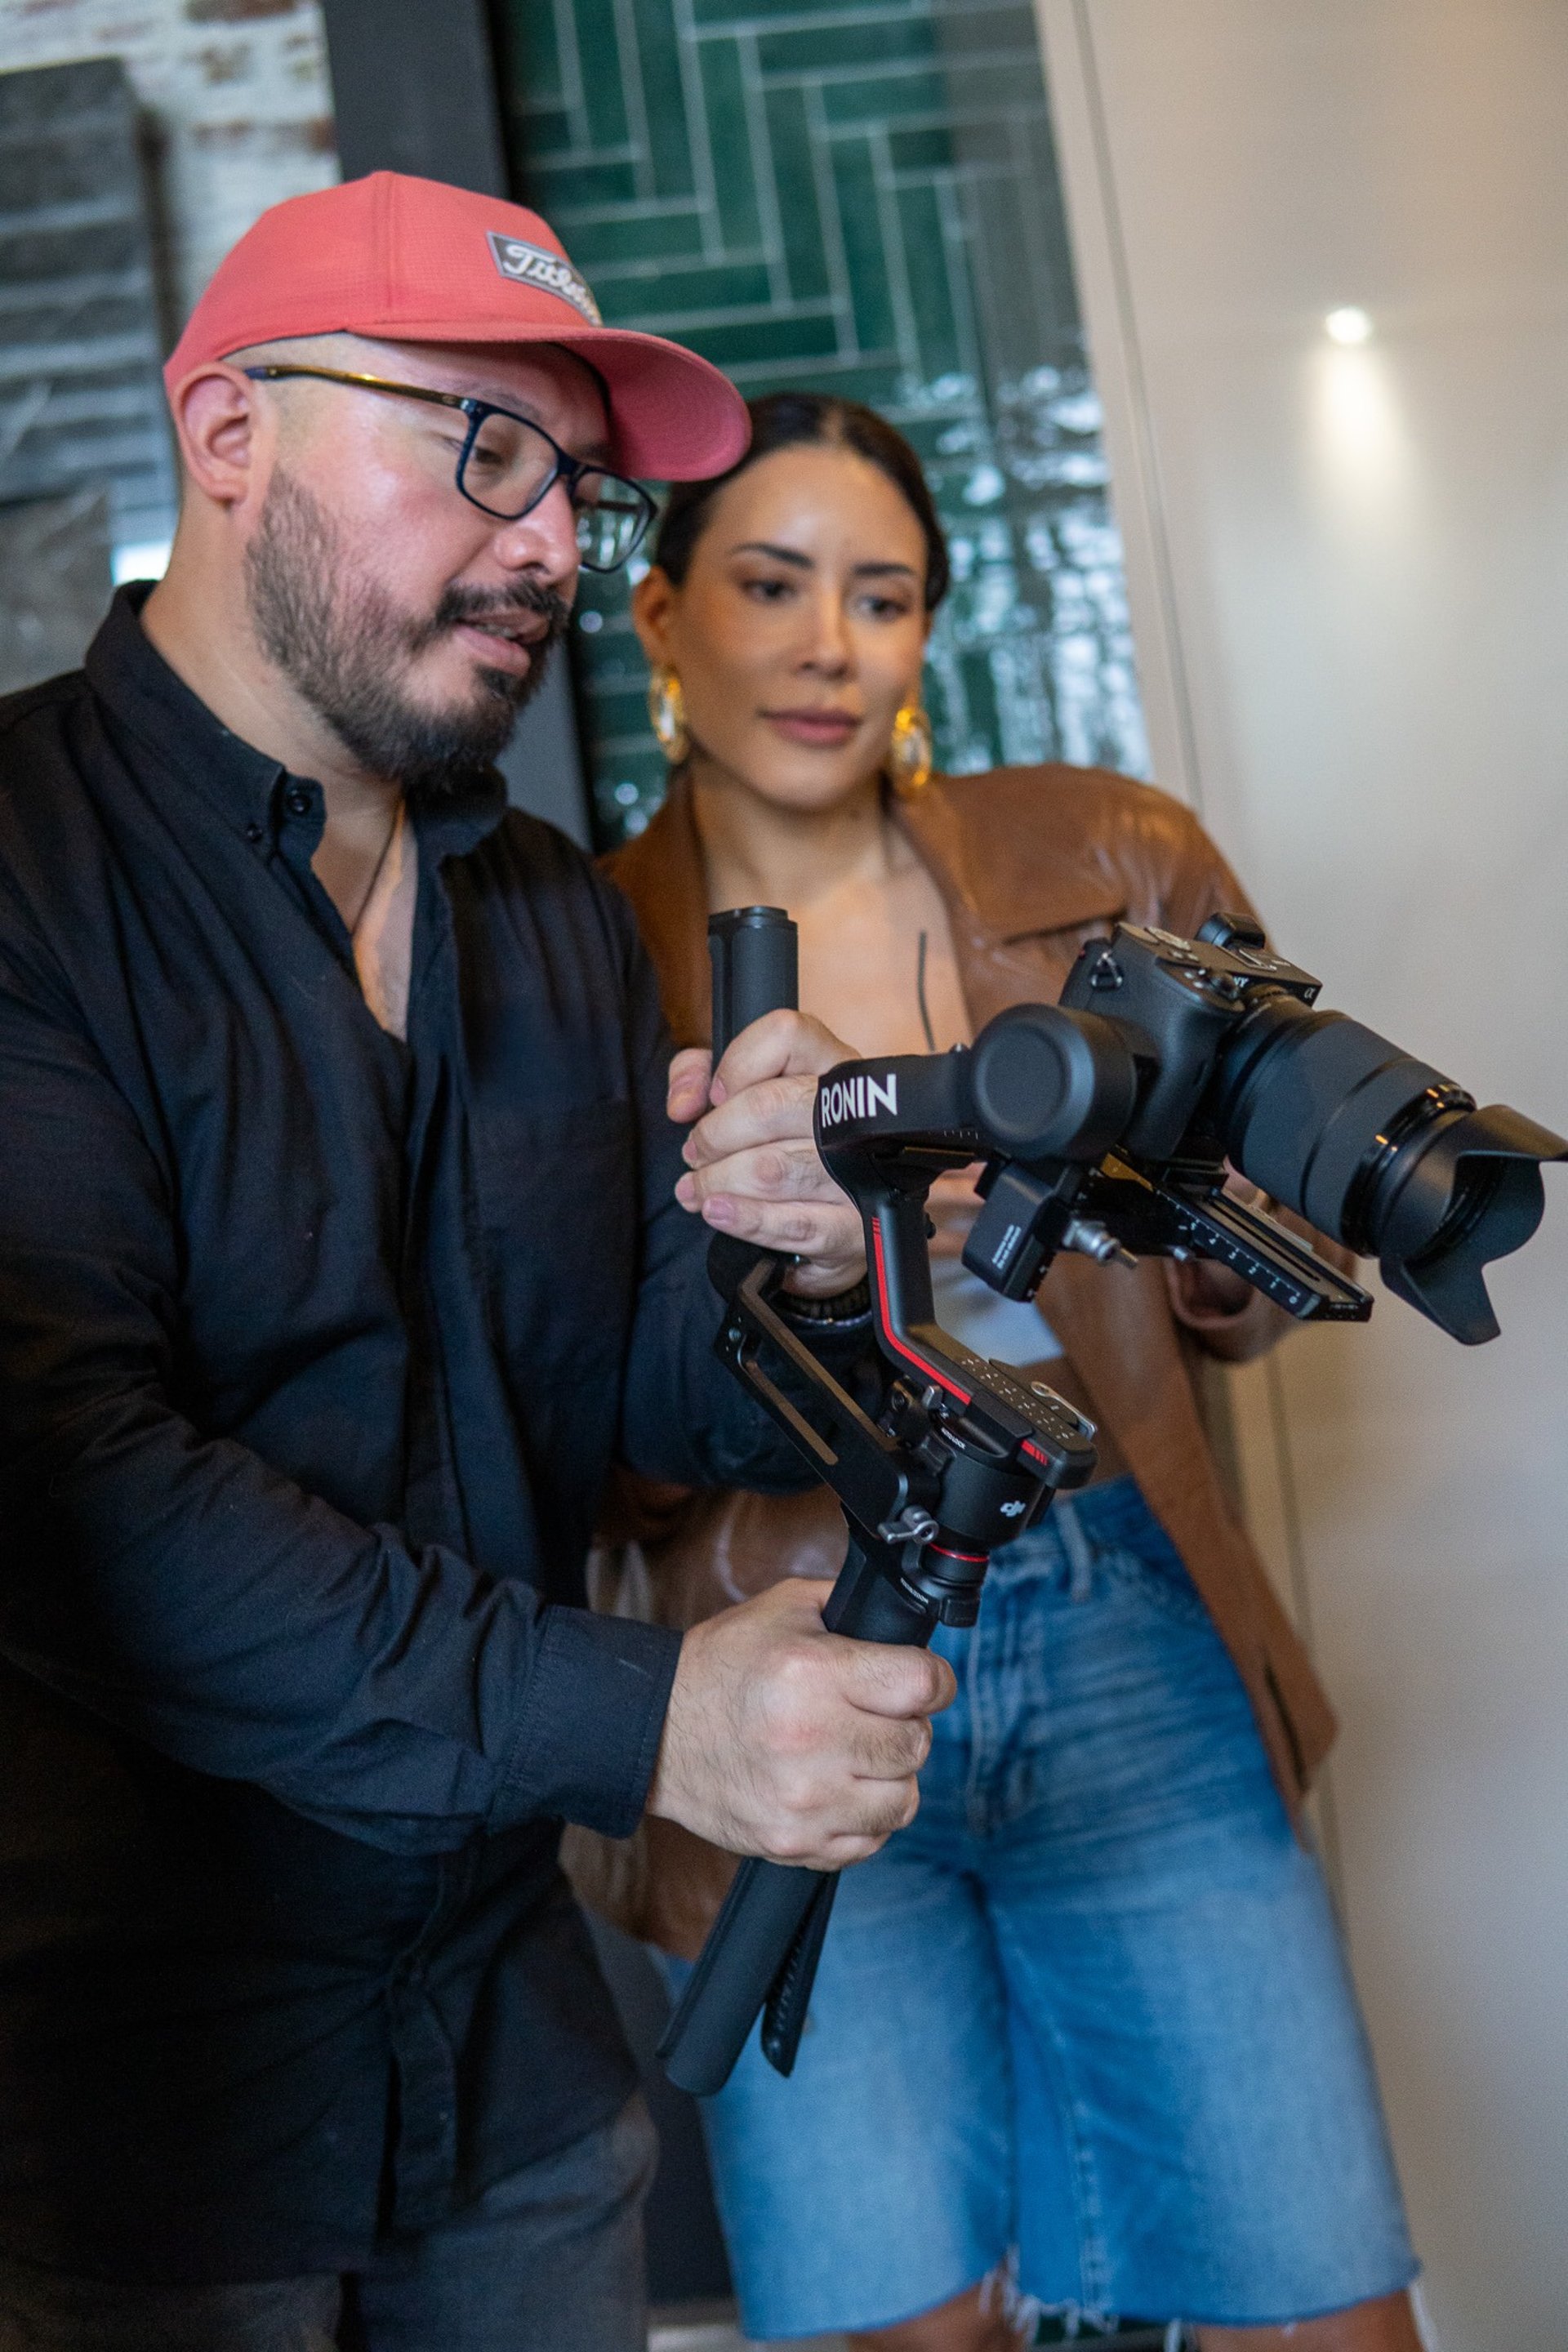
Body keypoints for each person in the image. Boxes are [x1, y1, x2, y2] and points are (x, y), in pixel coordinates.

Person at [0, 181, 955, 2352]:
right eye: (483, 448)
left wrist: (806, 1264)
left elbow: (640, 1398)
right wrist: (655, 1726)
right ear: (231, 433)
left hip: (519, 2087)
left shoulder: (537, 912)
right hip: (137, 2125)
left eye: (579, 490)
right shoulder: (24, 867)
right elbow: (77, 1502)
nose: (547, 547)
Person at [580, 391, 1424, 2350]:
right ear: (662, 623)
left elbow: (1280, 1268)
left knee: (1320, 2304)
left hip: (1122, 1611)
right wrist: (813, 1254)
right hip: (786, 1645)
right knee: (904, 2323)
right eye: (771, 585)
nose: (824, 646)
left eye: (880, 598)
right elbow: (571, 1421)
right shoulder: (568, 946)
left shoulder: (1111, 855)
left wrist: (1102, 1208)